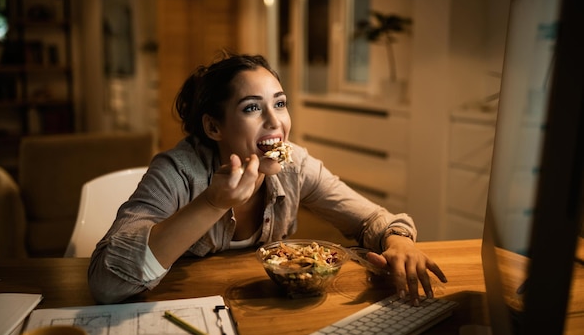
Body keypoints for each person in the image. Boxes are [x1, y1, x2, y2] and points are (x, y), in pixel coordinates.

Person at [88, 52, 447, 305]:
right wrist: (212, 203)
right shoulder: (177, 171)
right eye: (251, 108)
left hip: (268, 308)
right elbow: (107, 283)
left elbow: (371, 219)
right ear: (214, 126)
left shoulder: (295, 165)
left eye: (279, 103)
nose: (275, 122)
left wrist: (399, 241)